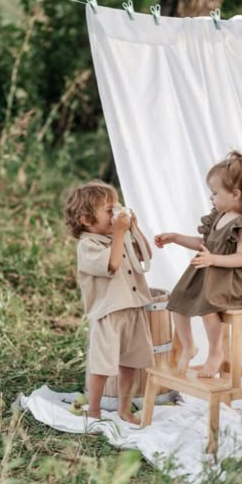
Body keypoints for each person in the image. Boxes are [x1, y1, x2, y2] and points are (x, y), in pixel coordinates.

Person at [155, 150, 242, 378]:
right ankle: (188, 345)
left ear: (235, 194)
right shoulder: (218, 217)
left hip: (237, 282)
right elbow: (204, 242)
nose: (211, 197)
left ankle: (215, 352)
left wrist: (212, 259)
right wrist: (176, 238)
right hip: (212, 276)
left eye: (214, 193)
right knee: (177, 298)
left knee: (208, 306)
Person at [64, 180, 154, 423]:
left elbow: (146, 254)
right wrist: (121, 233)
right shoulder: (88, 245)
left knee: (131, 363)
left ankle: (124, 408)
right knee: (102, 365)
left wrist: (133, 228)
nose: (115, 213)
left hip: (132, 307)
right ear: (85, 219)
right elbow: (112, 265)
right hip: (108, 313)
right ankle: (93, 410)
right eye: (108, 209)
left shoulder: (118, 236)